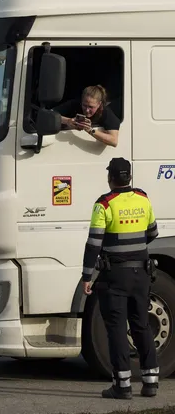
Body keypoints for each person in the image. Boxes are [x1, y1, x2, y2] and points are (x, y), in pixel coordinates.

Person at [82, 157, 159, 400]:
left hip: (114, 276)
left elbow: (94, 243)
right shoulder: (143, 199)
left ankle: (122, 385)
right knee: (142, 325)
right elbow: (153, 232)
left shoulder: (104, 204)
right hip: (142, 273)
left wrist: (86, 276)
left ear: (111, 178)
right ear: (129, 177)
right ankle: (150, 382)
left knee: (116, 329)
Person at [54, 85, 120, 147]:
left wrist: (90, 130)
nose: (87, 110)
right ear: (81, 101)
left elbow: (114, 141)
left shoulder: (105, 113)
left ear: (99, 104)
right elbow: (48, 115)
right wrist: (67, 121)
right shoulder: (73, 104)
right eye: (84, 105)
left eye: (91, 107)